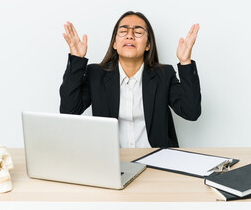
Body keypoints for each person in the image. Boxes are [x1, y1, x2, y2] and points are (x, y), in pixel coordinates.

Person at [60, 11, 201, 148]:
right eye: (123, 31)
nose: (130, 36)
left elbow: (191, 112)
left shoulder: (164, 75)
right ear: (114, 43)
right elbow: (69, 110)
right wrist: (77, 59)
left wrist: (185, 62)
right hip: (112, 161)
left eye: (138, 32)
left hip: (158, 159)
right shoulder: (96, 74)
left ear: (148, 45)